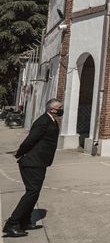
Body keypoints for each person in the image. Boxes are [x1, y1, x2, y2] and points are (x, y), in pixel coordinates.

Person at [3, 98, 63, 238]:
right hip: (32, 163)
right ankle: (12, 224)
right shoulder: (43, 121)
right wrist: (19, 153)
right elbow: (31, 139)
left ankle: (25, 221)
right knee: (32, 192)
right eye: (59, 107)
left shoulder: (51, 120)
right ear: (52, 109)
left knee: (34, 193)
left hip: (39, 162)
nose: (61, 109)